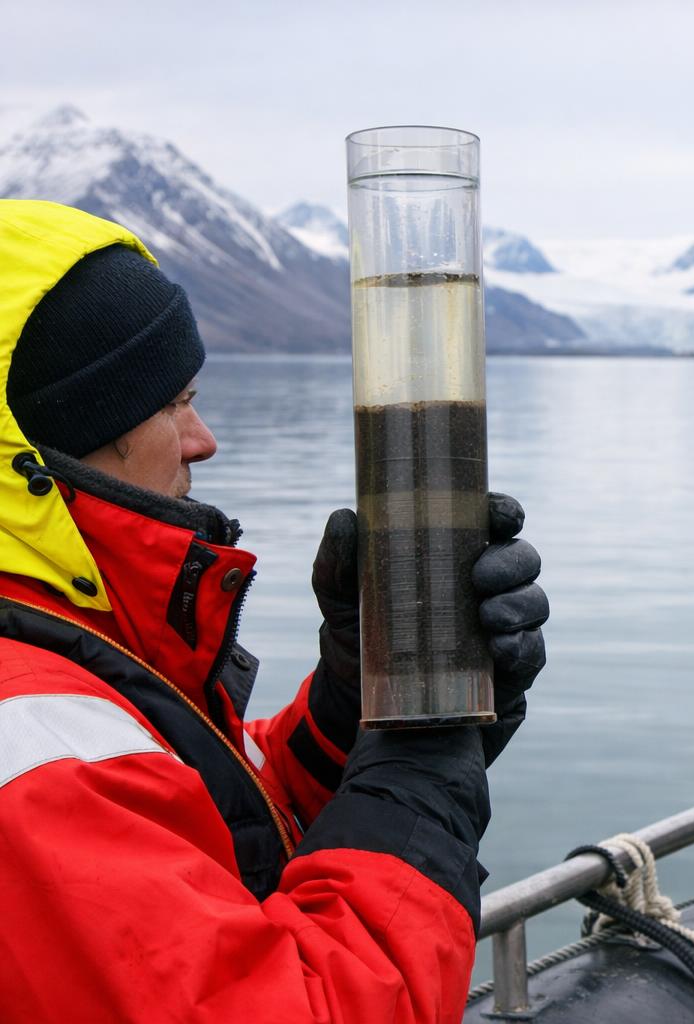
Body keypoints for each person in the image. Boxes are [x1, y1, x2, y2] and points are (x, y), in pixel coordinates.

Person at [0, 199, 549, 1021]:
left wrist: (353, 710)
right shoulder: (32, 758)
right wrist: (420, 776)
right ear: (56, 445)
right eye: (173, 402)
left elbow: (211, 826)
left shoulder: (55, 652)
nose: (203, 437)